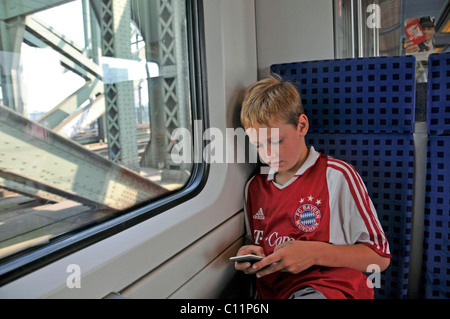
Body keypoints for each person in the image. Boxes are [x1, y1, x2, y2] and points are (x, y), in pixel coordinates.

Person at [235, 75, 391, 299]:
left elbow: (379, 257)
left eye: (277, 141)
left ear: (302, 125)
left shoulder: (337, 176)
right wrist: (250, 254)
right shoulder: (254, 187)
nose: (269, 154)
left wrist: (315, 253)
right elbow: (254, 240)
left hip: (329, 289)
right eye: (258, 145)